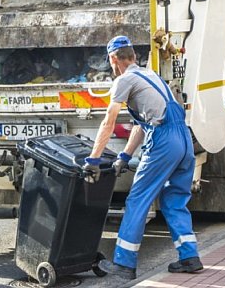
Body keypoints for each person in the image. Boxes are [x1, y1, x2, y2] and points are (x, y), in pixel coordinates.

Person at [83, 36, 203, 280]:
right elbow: (142, 124)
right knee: (174, 199)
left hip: (164, 141)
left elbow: (109, 121)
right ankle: (190, 257)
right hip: (183, 138)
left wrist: (93, 160)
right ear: (134, 57)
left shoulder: (124, 80)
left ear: (113, 59)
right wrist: (124, 156)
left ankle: (124, 264)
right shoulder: (152, 76)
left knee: (138, 199)